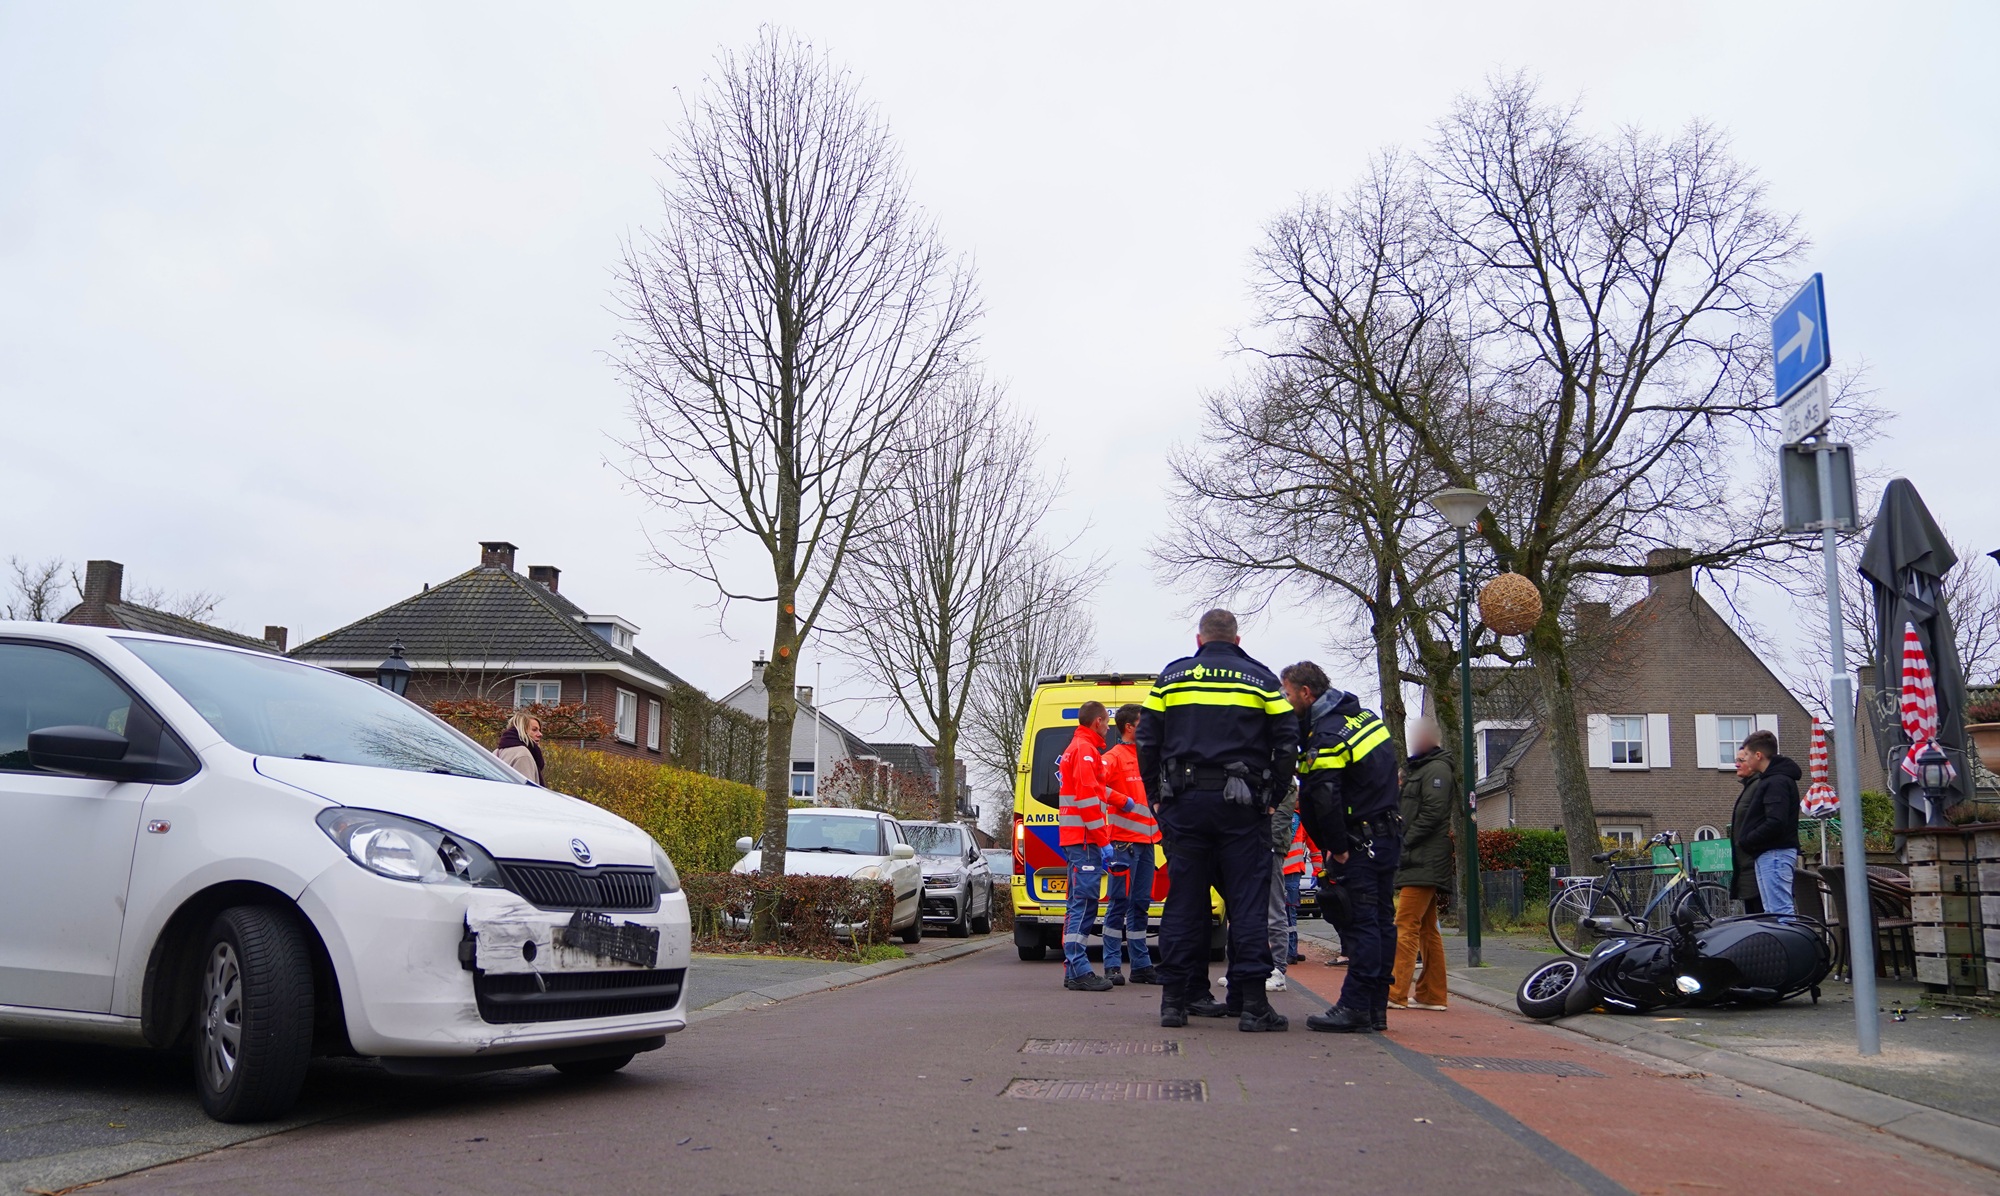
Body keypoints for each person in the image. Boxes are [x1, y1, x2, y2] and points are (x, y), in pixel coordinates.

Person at [1136, 608, 1298, 1033]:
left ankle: (1174, 1002)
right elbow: (1287, 743)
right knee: (1246, 902)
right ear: (1237, 640)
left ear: (1199, 640)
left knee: (1184, 901)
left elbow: (1146, 741)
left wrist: (1156, 797)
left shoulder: (1171, 678)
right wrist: (1273, 797)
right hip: (1242, 806)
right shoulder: (1261, 679)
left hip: (1184, 803)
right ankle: (1252, 1005)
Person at [1282, 662, 1400, 1034]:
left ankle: (1354, 1007)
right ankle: (1376, 1007)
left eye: (1288, 693)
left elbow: (1324, 796)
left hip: (1358, 842)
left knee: (1361, 923)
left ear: (1306, 693)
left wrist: (1337, 846)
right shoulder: (1365, 718)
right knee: (1381, 922)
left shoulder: (1327, 736)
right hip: (1386, 834)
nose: (1285, 701)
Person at [1057, 700, 1143, 992]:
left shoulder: (1081, 749)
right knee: (1084, 903)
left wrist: (1120, 800)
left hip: (1080, 839)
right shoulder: (1085, 751)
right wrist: (1104, 841)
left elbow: (1094, 789)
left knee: (1079, 903)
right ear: (1097, 722)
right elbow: (1087, 800)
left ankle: (1073, 969)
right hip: (1085, 840)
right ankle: (1079, 969)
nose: (1108, 728)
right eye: (1106, 722)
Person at [1389, 718, 1454, 1012]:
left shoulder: (1437, 769)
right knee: (1427, 928)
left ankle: (1395, 992)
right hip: (1420, 857)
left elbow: (1433, 812)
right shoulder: (1421, 769)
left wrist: (1404, 841)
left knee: (1405, 924)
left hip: (1423, 857)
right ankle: (1432, 994)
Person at [1100, 704, 1162, 985]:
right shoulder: (1113, 757)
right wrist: (1121, 801)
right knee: (1118, 904)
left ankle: (1141, 965)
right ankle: (1112, 965)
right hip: (1123, 844)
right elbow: (1094, 784)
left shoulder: (1147, 756)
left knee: (1140, 905)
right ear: (1129, 727)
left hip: (1147, 844)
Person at [1729, 729, 1802, 915]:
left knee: (1779, 912)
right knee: (1772, 913)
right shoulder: (1770, 780)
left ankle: (1786, 936)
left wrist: (1747, 840)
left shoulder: (1776, 782)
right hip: (1769, 854)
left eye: (1746, 755)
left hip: (1775, 854)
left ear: (1758, 755)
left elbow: (1776, 822)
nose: (1743, 760)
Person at [495, 711, 545, 784]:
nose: (540, 734)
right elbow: (526, 788)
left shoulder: (497, 752)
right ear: (521, 731)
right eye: (534, 730)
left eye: (539, 730)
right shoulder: (523, 755)